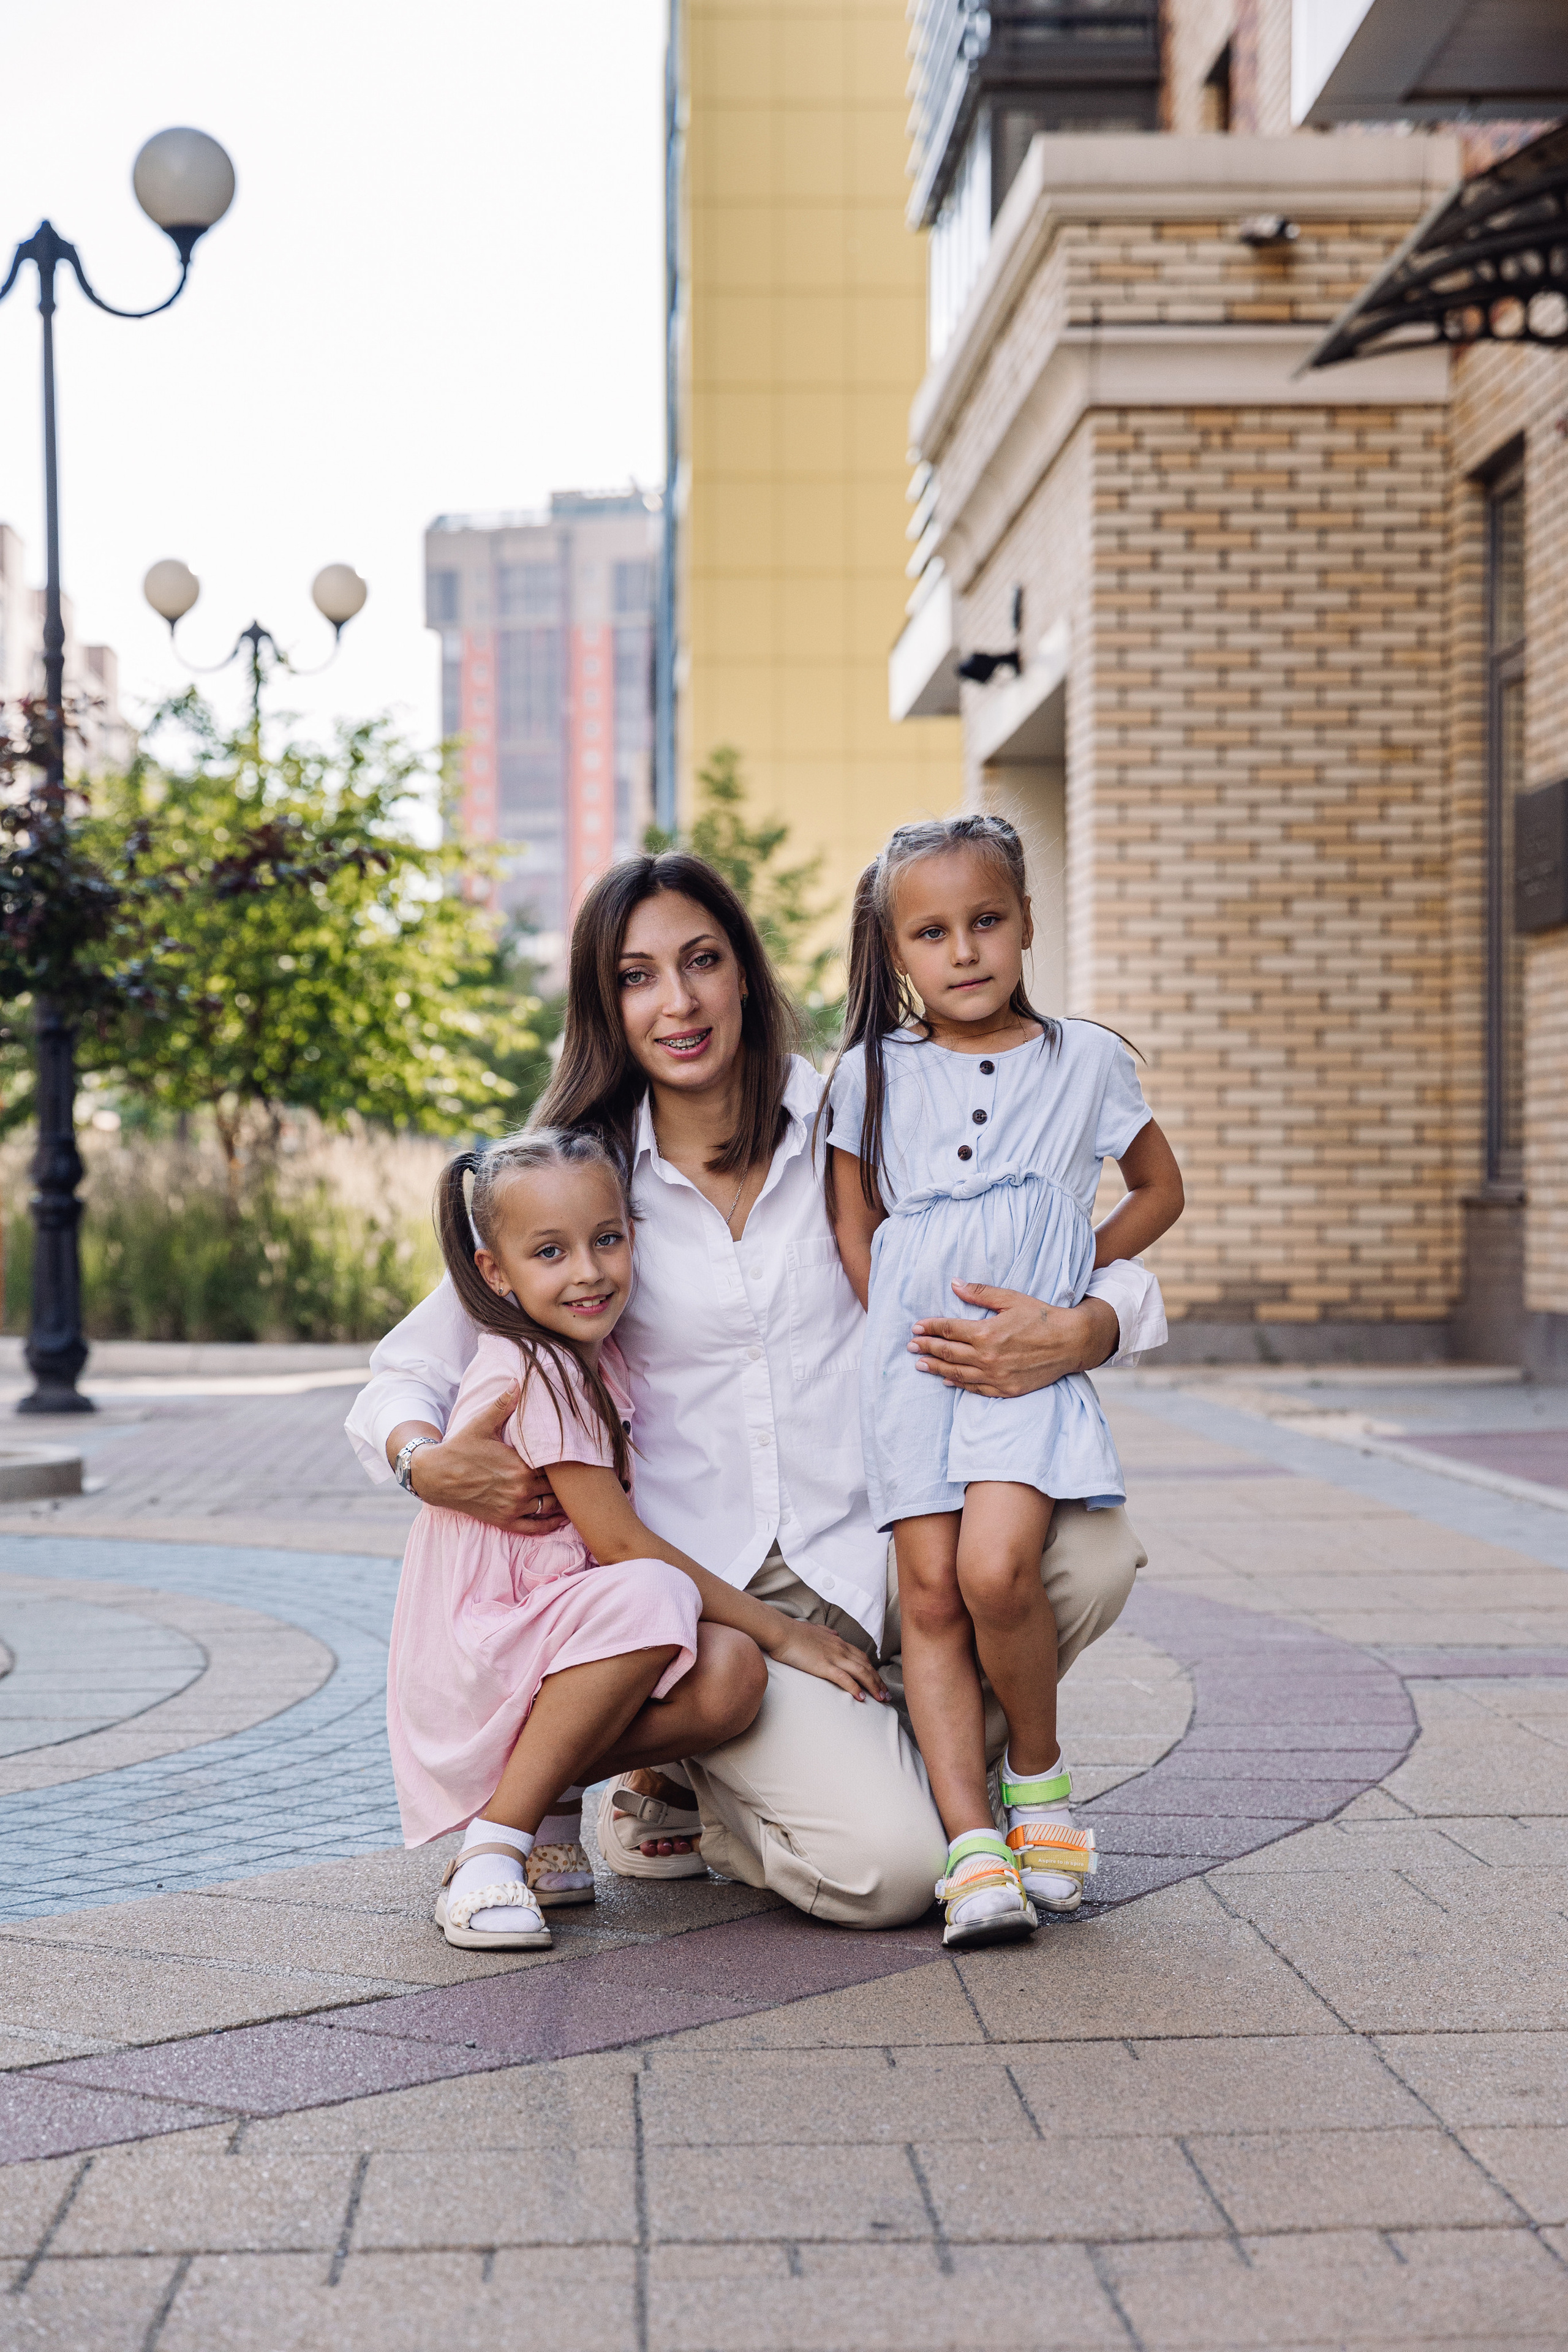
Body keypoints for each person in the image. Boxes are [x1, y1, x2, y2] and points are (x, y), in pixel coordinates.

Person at [347, 850, 1167, 1929]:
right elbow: (411, 1366)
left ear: (744, 972)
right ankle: (718, 1782)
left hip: (884, 1541)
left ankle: (827, 1771)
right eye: (638, 977)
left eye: (702, 961)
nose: (679, 1002)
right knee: (892, 1875)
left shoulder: (856, 1113)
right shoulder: (586, 1188)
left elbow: (1031, 1224)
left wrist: (1093, 1324)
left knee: (1091, 1554)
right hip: (724, 1594)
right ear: (606, 1005)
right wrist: (423, 1461)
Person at [823, 815, 1184, 1949]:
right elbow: (853, 1220)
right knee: (930, 1593)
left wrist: (1074, 1283)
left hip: (1023, 1369)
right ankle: (973, 1848)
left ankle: (1039, 1780)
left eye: (986, 920)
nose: (964, 950)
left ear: (1028, 921)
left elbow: (1160, 1189)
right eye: (931, 932)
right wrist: (896, 1321)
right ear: (895, 951)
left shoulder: (1086, 1060)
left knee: (995, 1569)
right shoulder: (868, 1072)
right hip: (913, 1367)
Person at [391, 1125, 882, 1950]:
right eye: (550, 1252)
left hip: (545, 1636)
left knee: (728, 1676)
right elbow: (621, 1546)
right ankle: (493, 1846)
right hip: (486, 1650)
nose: (588, 1271)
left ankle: (550, 1807)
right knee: (655, 1592)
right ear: (496, 1273)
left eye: (608, 1239)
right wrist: (784, 1631)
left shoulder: (592, 1354)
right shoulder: (541, 1368)